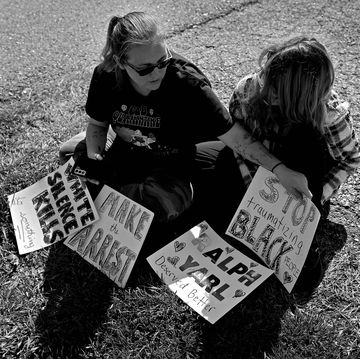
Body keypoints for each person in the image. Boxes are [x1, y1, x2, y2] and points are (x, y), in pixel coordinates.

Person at [59, 12, 312, 233]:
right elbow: (98, 125)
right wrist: (94, 158)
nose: (157, 72)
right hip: (125, 152)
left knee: (162, 204)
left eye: (163, 61)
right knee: (70, 153)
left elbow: (234, 136)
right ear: (120, 62)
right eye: (146, 69)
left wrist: (279, 169)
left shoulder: (187, 82)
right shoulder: (105, 75)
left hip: (172, 163)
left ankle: (110, 197)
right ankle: (114, 196)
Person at [225, 36, 360, 297]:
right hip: (256, 166)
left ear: (300, 95)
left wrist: (315, 198)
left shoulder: (328, 113)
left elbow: (350, 159)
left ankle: (304, 242)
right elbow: (237, 140)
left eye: (277, 88)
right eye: (265, 77)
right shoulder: (249, 89)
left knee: (305, 140)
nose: (266, 90)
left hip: (301, 176)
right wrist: (249, 185)